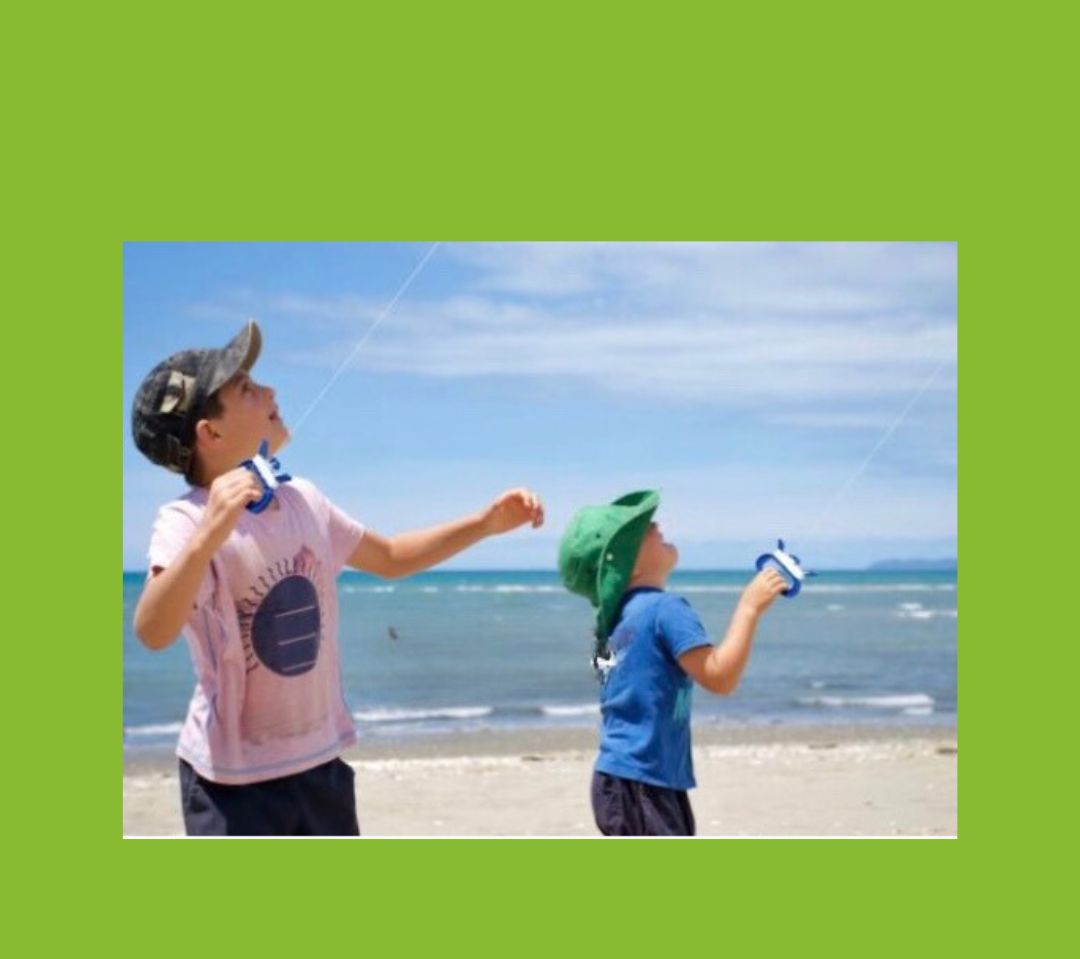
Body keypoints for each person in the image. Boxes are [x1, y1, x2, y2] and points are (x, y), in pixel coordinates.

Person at [130, 320, 544, 836]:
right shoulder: (186, 520)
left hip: (318, 762)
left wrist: (484, 524)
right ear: (210, 433)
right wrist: (211, 532)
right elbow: (152, 629)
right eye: (247, 389)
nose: (271, 391)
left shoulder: (302, 497)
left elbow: (390, 557)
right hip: (229, 783)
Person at [558, 491, 785, 836]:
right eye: (644, 528)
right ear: (627, 565)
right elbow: (720, 677)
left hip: (621, 777)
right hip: (643, 781)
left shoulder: (613, 621)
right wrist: (749, 607)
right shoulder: (665, 609)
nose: (657, 525)